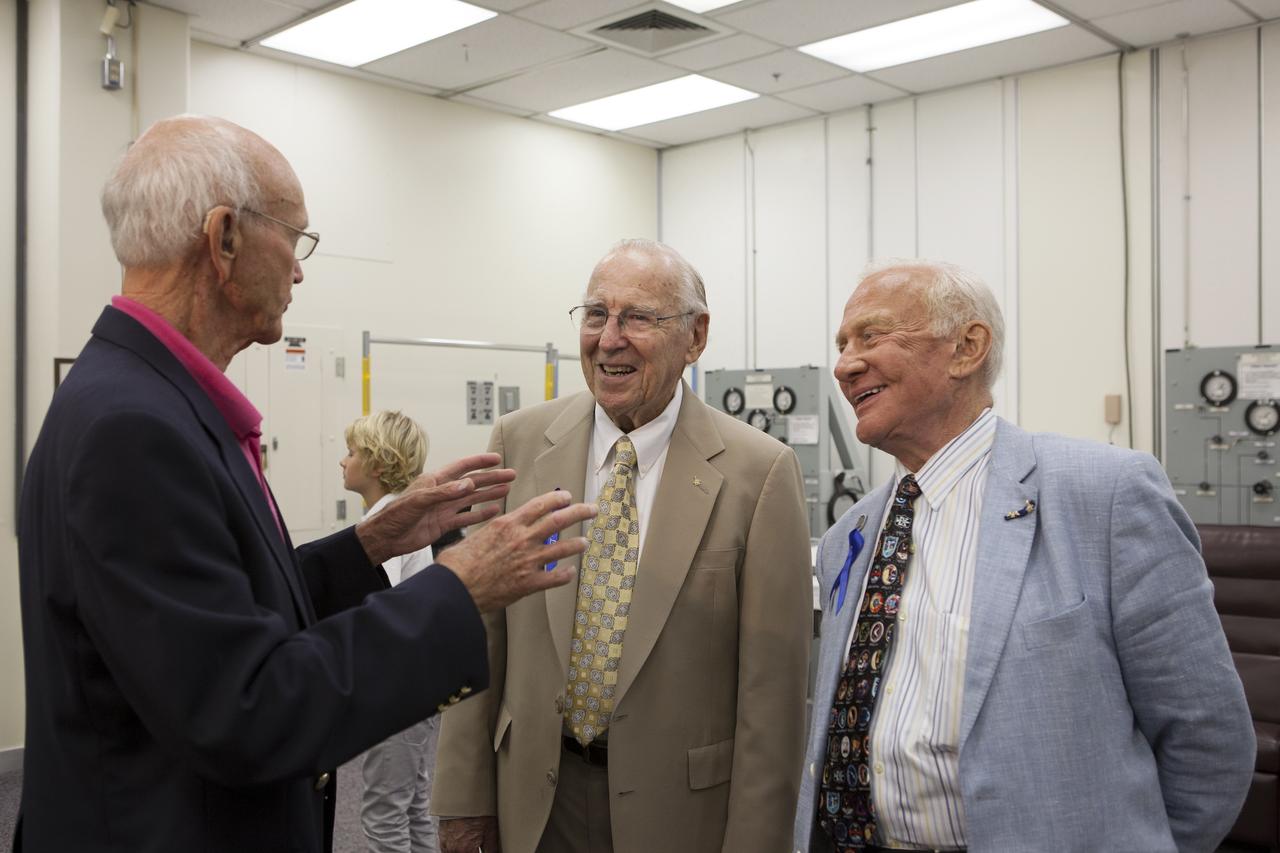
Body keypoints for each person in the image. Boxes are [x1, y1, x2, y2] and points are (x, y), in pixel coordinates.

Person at [15, 115, 597, 853]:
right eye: (295, 238)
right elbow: (246, 707)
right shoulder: (135, 428)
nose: (298, 269)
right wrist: (458, 585)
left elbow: (213, 610)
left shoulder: (138, 397)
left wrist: (368, 543)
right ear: (223, 238)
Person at [794, 260, 1255, 853]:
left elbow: (1208, 736)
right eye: (841, 344)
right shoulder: (849, 537)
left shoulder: (1105, 495)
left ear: (967, 348)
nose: (844, 364)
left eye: (872, 336)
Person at [432, 239, 813, 853]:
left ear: (695, 337)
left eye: (638, 317)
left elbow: (773, 700)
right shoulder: (521, 443)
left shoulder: (759, 474)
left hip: (681, 817)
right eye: (595, 314)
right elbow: (479, 633)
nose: (609, 338)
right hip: (532, 799)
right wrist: (462, 801)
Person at [341, 410, 452, 853]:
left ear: (378, 465)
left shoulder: (385, 527)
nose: (342, 461)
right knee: (411, 804)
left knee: (383, 812)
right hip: (417, 687)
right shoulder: (396, 518)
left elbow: (377, 607)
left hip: (396, 688)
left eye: (351, 453)